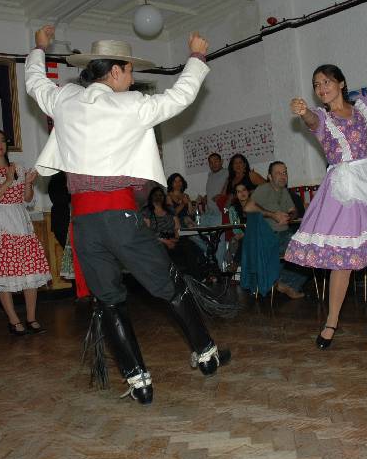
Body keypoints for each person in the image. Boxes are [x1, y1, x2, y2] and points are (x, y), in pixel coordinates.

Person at [25, 25, 229, 405]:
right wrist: (197, 57)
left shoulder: (65, 99)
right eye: (130, 71)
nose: (133, 79)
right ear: (116, 70)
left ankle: (139, 382)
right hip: (119, 218)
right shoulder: (130, 104)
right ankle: (206, 353)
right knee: (169, 284)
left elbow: (35, 82)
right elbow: (180, 96)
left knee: (109, 300)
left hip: (83, 225)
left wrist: (38, 48)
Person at [285, 18, 367, 348]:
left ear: (341, 83)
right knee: (342, 258)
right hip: (342, 190)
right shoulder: (321, 118)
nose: (321, 88)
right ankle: (331, 322)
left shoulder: (365, 108)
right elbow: (310, 119)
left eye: (326, 81)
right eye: (316, 85)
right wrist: (303, 111)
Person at [0, 129, 52, 335]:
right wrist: (7, 180)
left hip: (20, 223)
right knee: (3, 272)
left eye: (2, 141)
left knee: (30, 269)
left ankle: (31, 317)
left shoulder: (18, 168)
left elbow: (27, 199)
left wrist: (28, 183)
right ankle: (14, 320)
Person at [247, 161, 306, 299]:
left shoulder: (284, 191)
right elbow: (248, 208)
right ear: (269, 177)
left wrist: (289, 217)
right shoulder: (263, 189)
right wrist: (272, 215)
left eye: (284, 172)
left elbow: (294, 211)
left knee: (309, 249)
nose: (283, 176)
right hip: (269, 237)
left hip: (284, 234)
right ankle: (281, 282)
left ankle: (281, 282)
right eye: (278, 173)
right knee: (302, 249)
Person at [142, 186, 207, 280]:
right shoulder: (147, 211)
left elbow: (177, 227)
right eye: (155, 195)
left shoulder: (169, 209)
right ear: (151, 197)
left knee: (189, 246)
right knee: (163, 250)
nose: (158, 197)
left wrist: (176, 238)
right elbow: (148, 232)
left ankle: (196, 278)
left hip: (173, 236)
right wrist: (166, 241)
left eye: (160, 195)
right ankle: (173, 280)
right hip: (158, 239)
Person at [200, 153, 229, 226]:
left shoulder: (227, 172)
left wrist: (222, 195)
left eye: (216, 161)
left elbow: (231, 190)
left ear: (221, 161)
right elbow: (213, 190)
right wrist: (206, 197)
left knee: (217, 232)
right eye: (211, 163)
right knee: (199, 230)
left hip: (220, 212)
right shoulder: (210, 175)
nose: (213, 164)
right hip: (209, 213)